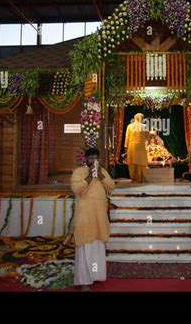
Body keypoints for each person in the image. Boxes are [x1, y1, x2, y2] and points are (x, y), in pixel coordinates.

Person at [70, 148, 115, 291]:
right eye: (91, 159)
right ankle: (83, 282)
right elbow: (75, 189)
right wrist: (89, 176)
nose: (94, 161)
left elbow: (111, 186)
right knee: (85, 248)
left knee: (97, 246)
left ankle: (95, 276)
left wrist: (101, 175)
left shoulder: (102, 172)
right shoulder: (79, 172)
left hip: (99, 216)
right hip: (85, 216)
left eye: (96, 159)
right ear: (86, 159)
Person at [124, 113, 150, 183]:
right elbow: (148, 136)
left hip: (131, 145)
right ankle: (142, 177)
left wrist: (126, 146)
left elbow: (127, 137)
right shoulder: (144, 126)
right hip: (140, 145)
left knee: (132, 162)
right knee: (141, 162)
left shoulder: (129, 126)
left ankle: (133, 178)